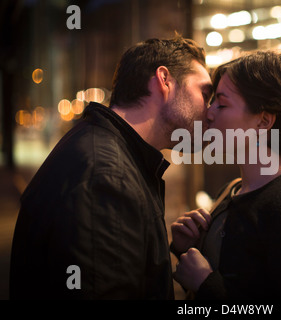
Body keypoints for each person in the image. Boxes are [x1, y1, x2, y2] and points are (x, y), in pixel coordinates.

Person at [9, 35, 213, 299]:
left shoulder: (104, 149)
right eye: (204, 93)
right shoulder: (106, 177)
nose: (209, 111)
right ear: (165, 81)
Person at [171, 50, 281, 300]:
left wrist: (206, 284)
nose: (209, 113)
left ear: (263, 121)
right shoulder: (236, 189)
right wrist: (189, 249)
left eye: (222, 104)